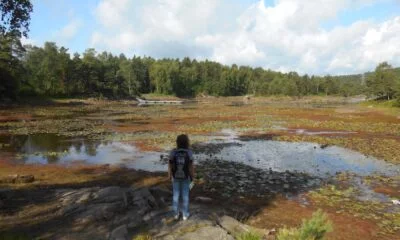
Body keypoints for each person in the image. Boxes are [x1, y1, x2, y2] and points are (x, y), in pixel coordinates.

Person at [168, 134, 195, 221]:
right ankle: (185, 215)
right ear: (187, 142)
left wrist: (169, 175)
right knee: (185, 195)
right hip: (186, 177)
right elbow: (191, 166)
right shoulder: (189, 152)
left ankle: (175, 214)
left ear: (177, 142)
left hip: (175, 177)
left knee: (175, 195)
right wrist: (193, 176)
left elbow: (170, 164)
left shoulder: (173, 152)